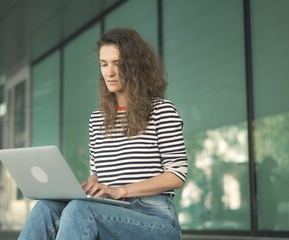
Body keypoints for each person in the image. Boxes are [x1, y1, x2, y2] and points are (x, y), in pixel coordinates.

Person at [18, 28, 188, 239]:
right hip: (107, 210)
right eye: (104, 64)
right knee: (46, 208)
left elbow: (177, 175)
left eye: (118, 64)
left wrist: (120, 191)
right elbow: (97, 173)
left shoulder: (162, 110)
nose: (109, 73)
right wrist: (90, 187)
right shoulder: (97, 118)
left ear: (135, 66)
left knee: (80, 209)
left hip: (155, 216)